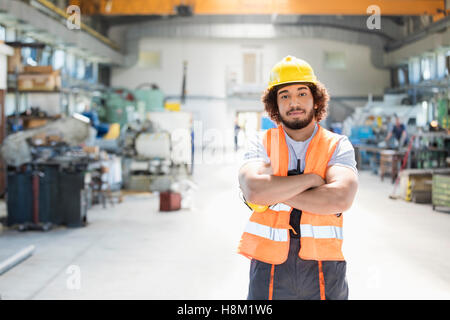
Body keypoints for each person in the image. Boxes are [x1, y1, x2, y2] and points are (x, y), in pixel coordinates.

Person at [238, 56, 359, 300]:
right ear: (275, 104)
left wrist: (274, 192)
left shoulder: (337, 145)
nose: (294, 102)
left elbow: (341, 197)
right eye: (284, 95)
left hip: (325, 269)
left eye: (302, 93)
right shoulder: (261, 142)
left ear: (316, 100)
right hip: (268, 267)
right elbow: (253, 190)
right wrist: (313, 179)